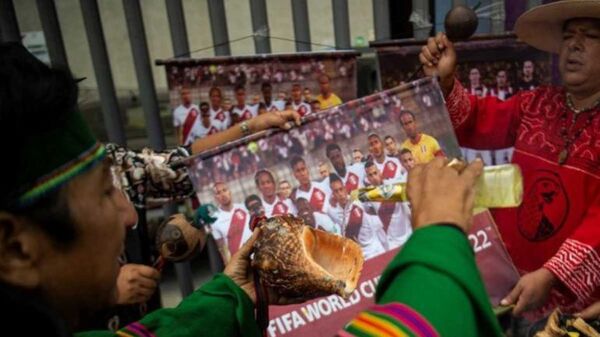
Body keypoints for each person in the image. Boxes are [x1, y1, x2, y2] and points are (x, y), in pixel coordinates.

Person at [418, 0, 600, 318]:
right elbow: (475, 120)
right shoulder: (536, 103)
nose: (575, 45)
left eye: (590, 36)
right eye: (569, 36)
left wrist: (552, 274)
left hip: (571, 308)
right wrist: (446, 82)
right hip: (502, 284)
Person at [327, 174, 387, 259]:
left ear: (345, 188)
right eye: (336, 191)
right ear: (333, 194)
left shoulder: (358, 198)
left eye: (341, 189)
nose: (340, 194)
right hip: (363, 257)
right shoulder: (333, 212)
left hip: (377, 249)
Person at [364, 161, 412, 249]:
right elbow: (368, 211)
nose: (374, 177)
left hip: (408, 233)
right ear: (368, 178)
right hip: (392, 242)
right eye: (370, 175)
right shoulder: (368, 195)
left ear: (380, 172)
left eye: (375, 173)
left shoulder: (394, 185)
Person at [210, 182, 252, 264]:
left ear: (230, 192)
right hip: (239, 263)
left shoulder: (244, 208)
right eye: (218, 193)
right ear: (215, 198)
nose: (223, 194)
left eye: (224, 190)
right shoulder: (214, 219)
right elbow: (221, 248)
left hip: (257, 255)